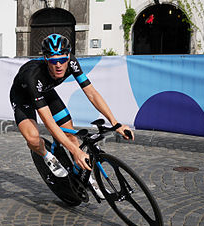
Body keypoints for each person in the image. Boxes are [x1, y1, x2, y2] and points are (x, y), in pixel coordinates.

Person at [10, 33, 134, 198]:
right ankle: (48, 157)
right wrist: (75, 151)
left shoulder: (72, 63)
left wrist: (116, 123)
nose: (59, 65)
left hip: (46, 92)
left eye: (63, 59)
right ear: (46, 59)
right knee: (33, 138)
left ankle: (88, 178)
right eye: (54, 61)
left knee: (70, 133)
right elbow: (50, 124)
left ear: (69, 56)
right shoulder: (33, 76)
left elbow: (91, 93)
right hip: (24, 96)